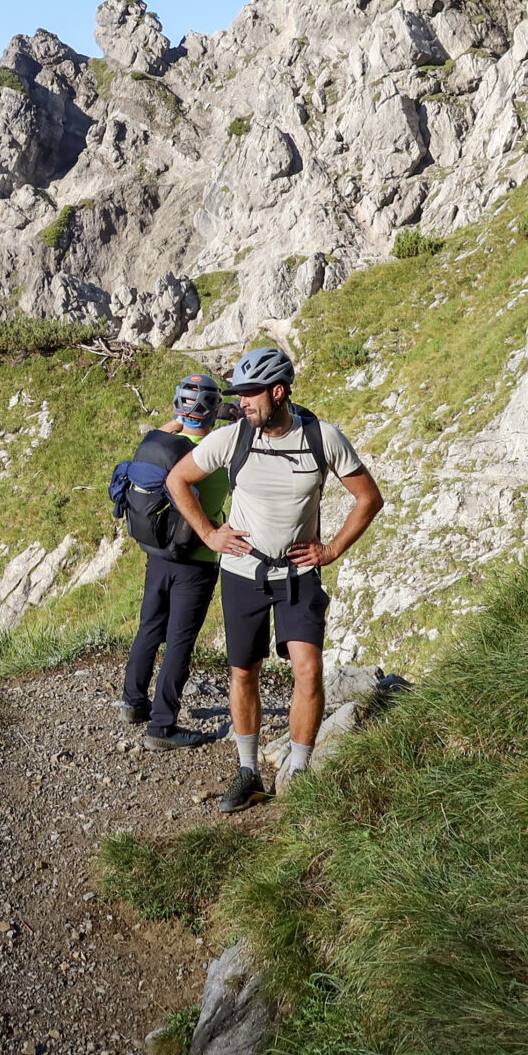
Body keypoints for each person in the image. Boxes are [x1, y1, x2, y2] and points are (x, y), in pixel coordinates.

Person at [165, 346, 383, 812]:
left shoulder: (322, 438)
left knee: (309, 670)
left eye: (249, 394)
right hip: (243, 571)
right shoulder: (233, 438)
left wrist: (332, 549)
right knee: (243, 671)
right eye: (238, 395)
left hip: (300, 572)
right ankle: (249, 773)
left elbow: (368, 498)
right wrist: (209, 532)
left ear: (278, 392)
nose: (240, 403)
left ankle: (299, 775)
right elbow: (177, 480)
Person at [118, 373, 230, 746]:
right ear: (214, 409)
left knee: (150, 627)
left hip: (158, 553)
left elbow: (167, 430)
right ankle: (162, 727)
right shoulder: (213, 454)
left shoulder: (159, 446)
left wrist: (187, 417)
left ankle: (133, 702)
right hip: (195, 559)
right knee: (180, 641)